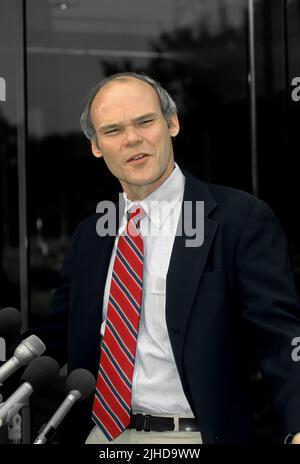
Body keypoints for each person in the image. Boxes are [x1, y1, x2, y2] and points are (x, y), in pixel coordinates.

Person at [37, 72, 300, 444]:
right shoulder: (91, 235)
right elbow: (55, 335)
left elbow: (282, 338)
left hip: (192, 437)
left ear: (172, 123)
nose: (132, 139)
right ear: (96, 147)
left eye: (144, 121)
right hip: (100, 435)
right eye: (112, 131)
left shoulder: (239, 220)